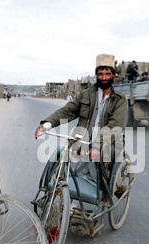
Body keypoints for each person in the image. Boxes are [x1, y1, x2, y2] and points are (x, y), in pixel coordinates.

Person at [35, 54, 127, 184]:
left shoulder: (120, 100)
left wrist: (96, 146)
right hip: (83, 138)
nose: (104, 77)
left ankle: (104, 187)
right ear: (96, 75)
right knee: (65, 162)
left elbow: (115, 126)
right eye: (100, 74)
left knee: (101, 167)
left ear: (113, 75)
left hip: (107, 142)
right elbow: (68, 111)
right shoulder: (86, 94)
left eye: (107, 74)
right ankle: (60, 194)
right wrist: (48, 123)